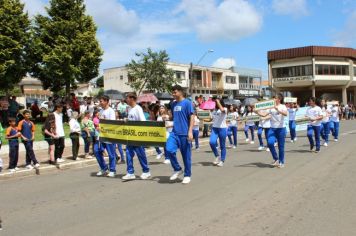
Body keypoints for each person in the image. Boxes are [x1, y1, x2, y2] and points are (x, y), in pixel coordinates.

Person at [166, 85, 195, 184]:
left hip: (184, 133)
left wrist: (190, 131)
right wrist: (167, 117)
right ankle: (177, 169)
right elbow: (174, 117)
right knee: (169, 149)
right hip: (174, 133)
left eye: (175, 92)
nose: (173, 94)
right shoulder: (173, 104)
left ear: (180, 92)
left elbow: (192, 117)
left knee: (186, 156)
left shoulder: (187, 103)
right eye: (172, 92)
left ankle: (187, 175)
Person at [122, 93, 151, 180]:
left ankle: (146, 171)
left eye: (127, 98)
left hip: (138, 136)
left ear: (132, 99)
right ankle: (130, 172)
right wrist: (127, 120)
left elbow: (142, 122)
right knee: (128, 153)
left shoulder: (138, 108)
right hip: (130, 136)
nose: (126, 100)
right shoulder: (129, 109)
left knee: (140, 154)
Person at [256, 93, 288, 168]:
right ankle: (276, 159)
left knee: (281, 146)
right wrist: (256, 111)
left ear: (279, 99)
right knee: (270, 143)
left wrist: (277, 109)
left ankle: (281, 162)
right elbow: (264, 115)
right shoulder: (271, 107)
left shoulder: (283, 106)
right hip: (272, 128)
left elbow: (285, 114)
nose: (273, 99)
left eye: (275, 98)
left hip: (281, 128)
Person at [94, 95, 117, 178]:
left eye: (101, 101)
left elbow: (112, 124)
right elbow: (100, 122)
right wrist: (98, 127)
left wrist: (102, 128)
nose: (100, 102)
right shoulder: (101, 111)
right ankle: (103, 167)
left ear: (106, 101)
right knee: (96, 150)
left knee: (111, 154)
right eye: (100, 101)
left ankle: (112, 170)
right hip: (101, 135)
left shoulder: (111, 111)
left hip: (109, 136)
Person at [209, 98, 227, 167]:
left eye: (217, 102)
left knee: (222, 146)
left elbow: (222, 110)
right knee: (212, 142)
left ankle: (222, 160)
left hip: (222, 128)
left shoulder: (225, 109)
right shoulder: (214, 111)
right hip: (215, 128)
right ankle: (217, 155)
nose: (215, 103)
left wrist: (218, 101)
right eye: (215, 102)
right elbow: (210, 119)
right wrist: (202, 117)